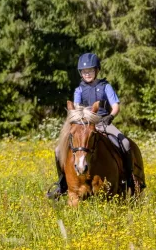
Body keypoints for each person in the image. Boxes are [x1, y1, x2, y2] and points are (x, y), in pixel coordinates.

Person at [48, 52, 134, 199]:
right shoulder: (79, 90)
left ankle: (128, 180)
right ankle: (62, 184)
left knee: (125, 143)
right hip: (84, 125)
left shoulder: (106, 86)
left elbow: (116, 106)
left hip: (103, 122)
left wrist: (110, 116)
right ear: (81, 73)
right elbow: (76, 108)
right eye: (84, 71)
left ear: (97, 71)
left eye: (90, 71)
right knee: (57, 151)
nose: (87, 74)